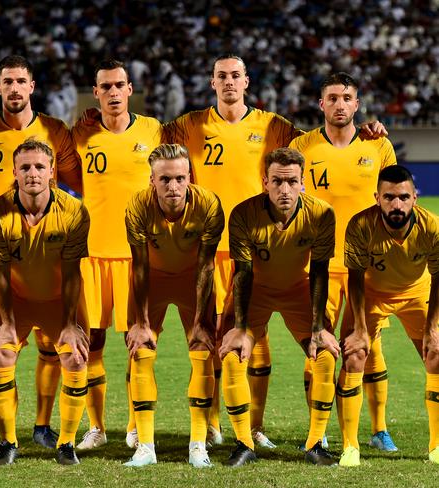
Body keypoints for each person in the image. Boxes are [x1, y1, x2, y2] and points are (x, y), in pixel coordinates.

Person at [163, 55, 386, 449]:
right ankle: (211, 424)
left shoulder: (276, 128)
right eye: (222, 76)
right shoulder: (188, 125)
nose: (229, 82)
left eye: (236, 75)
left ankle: (257, 427)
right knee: (210, 340)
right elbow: (143, 143)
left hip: (265, 249)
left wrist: (365, 129)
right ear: (211, 81)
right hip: (211, 249)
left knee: (260, 343)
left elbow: (320, 143)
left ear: (247, 81)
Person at [0, 55, 82, 450]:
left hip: (46, 254)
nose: (15, 88)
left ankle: (41, 424)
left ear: (32, 86)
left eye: (21, 81)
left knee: (54, 350)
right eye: (7, 81)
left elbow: (75, 178)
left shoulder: (54, 130)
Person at [290, 72, 397, 451]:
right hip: (315, 265)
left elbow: (391, 203)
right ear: (321, 104)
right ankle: (316, 434)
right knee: (317, 349)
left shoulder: (379, 147)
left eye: (346, 97)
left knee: (367, 347)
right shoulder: (301, 146)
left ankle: (379, 429)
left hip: (365, 267)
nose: (339, 104)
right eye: (332, 97)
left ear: (357, 104)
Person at [218, 147, 339, 467]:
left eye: (292, 182)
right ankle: (244, 443)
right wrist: (240, 328)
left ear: (303, 183)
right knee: (232, 355)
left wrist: (318, 328)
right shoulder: (243, 214)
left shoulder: (321, 213)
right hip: (255, 289)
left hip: (298, 289)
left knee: (325, 355)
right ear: (264, 182)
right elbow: (242, 272)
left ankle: (316, 444)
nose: (284, 190)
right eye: (277, 182)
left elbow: (319, 271)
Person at [71, 59, 162, 450]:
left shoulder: (154, 131)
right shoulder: (82, 134)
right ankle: (96, 426)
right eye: (104, 86)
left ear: (130, 90)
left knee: (137, 343)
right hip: (91, 256)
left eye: (118, 85)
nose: (112, 92)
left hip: (135, 257)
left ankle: (133, 425)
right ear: (96, 93)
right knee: (91, 343)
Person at [0, 139, 90, 465]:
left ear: (52, 171)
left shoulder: (73, 211)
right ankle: (8, 442)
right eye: (25, 167)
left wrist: (71, 324)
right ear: (14, 171)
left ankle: (67, 444)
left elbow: (72, 274)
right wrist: (8, 324)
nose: (32, 173)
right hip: (16, 301)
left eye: (40, 167)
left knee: (76, 358)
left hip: (61, 302)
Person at [124, 143, 223, 467]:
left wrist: (199, 321)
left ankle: (198, 443)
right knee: (141, 352)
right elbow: (138, 266)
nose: (173, 186)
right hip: (151, 280)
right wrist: (139, 322)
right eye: (164, 179)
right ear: (152, 179)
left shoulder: (208, 204)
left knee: (202, 351)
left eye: (180, 178)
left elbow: (207, 266)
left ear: (189, 176)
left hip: (193, 280)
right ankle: (146, 447)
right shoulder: (137, 205)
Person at [337, 165, 439, 466]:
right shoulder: (360, 225)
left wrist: (433, 327)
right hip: (372, 295)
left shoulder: (431, 227)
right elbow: (354, 278)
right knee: (354, 355)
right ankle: (350, 446)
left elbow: (438, 277)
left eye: (404, 197)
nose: (397, 204)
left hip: (416, 293)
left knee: (437, 353)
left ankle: (436, 446)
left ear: (415, 198)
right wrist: (357, 327)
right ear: (377, 198)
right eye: (390, 197)